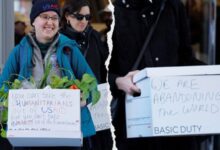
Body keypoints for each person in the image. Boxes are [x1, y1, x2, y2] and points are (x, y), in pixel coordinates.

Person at [108, 0, 207, 150]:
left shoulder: (173, 6)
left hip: (175, 119)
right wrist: (119, 82)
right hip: (135, 123)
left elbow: (186, 58)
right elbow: (101, 69)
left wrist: (210, 77)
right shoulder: (115, 12)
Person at [0, 0, 97, 149]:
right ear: (33, 21)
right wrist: (9, 100)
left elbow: (92, 84)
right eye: (45, 17)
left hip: (65, 132)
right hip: (29, 133)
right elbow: (2, 87)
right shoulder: (20, 51)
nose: (50, 22)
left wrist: (85, 98)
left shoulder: (69, 48)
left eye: (54, 18)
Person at [60, 0, 113, 150]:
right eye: (79, 17)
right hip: (69, 108)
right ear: (67, 16)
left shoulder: (95, 37)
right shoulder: (59, 41)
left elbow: (103, 69)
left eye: (88, 17)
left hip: (97, 105)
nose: (84, 21)